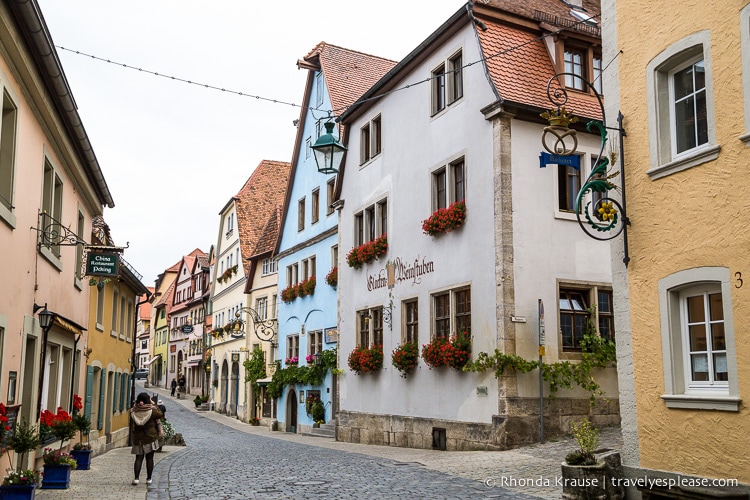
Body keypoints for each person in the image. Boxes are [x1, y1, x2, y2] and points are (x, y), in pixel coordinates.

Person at [129, 392, 163, 486]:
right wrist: (153, 404)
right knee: (149, 458)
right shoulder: (151, 411)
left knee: (138, 458)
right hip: (150, 437)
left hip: (138, 437)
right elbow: (160, 413)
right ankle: (149, 478)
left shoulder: (133, 411)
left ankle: (136, 478)